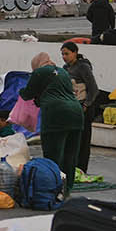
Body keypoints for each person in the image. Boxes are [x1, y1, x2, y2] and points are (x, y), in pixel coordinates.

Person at [20, 53, 86, 192]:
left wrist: (21, 91)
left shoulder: (39, 72)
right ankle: (67, 189)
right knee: (70, 155)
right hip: (76, 113)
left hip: (56, 114)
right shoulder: (62, 71)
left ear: (37, 65)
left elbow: (27, 94)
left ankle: (53, 189)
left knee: (53, 155)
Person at [60, 41, 104, 180]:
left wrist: (86, 105)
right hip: (71, 107)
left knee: (84, 139)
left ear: (75, 52)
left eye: (67, 54)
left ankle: (81, 168)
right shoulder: (65, 68)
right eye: (62, 54)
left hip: (84, 108)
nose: (64, 57)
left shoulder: (83, 67)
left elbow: (94, 89)